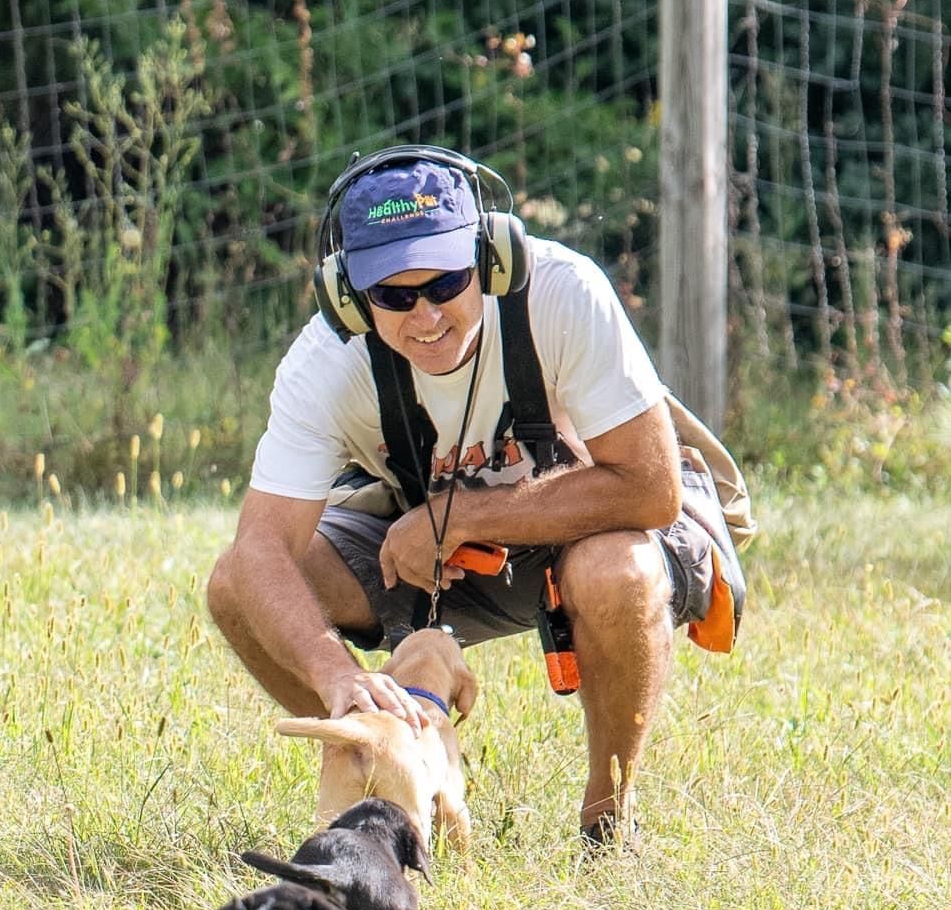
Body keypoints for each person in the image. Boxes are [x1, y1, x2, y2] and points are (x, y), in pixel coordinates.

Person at [205, 145, 748, 849]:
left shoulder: (563, 295)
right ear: (347, 296)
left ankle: (607, 826)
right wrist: (339, 678)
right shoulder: (326, 362)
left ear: (493, 260)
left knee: (619, 573)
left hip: (592, 530)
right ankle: (391, 758)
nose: (425, 315)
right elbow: (258, 552)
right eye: (393, 297)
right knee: (232, 587)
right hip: (425, 562)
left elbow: (651, 488)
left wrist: (462, 515)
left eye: (445, 283)